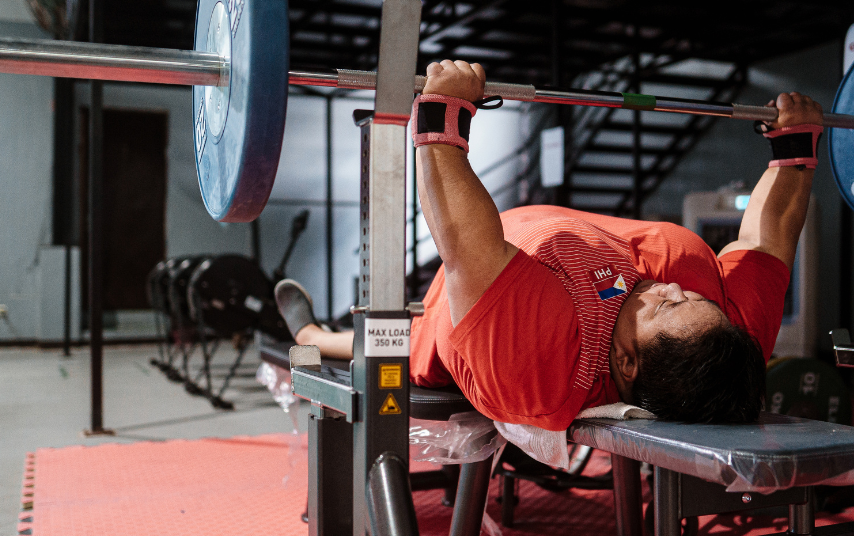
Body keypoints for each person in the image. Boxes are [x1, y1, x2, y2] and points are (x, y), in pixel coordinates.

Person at [275, 60, 822, 432]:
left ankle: (311, 334)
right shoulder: (725, 340)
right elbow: (767, 235)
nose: (676, 289)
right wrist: (796, 146)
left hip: (468, 300)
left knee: (400, 341)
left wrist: (443, 116)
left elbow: (465, 246)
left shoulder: (545, 363)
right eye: (691, 299)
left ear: (627, 362)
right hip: (540, 261)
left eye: (668, 306)